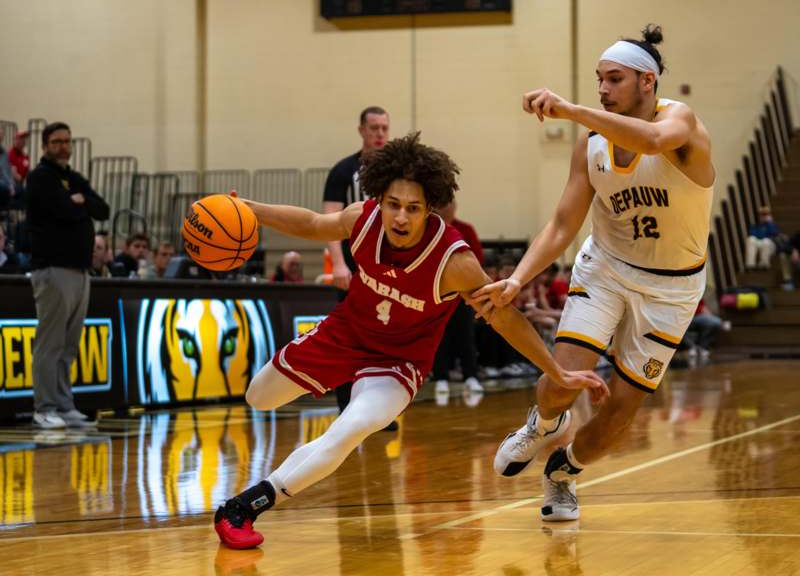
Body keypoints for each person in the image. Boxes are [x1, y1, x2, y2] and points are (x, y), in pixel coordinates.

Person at [213, 133, 607, 549]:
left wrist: (557, 370)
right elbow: (312, 224)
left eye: (413, 209)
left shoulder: (454, 262)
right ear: (380, 199)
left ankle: (243, 508)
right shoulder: (360, 220)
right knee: (259, 396)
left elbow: (505, 319)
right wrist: (250, 211)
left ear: (430, 209)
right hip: (344, 335)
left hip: (398, 365)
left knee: (349, 431)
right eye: (394, 205)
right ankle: (323, 387)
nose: (401, 218)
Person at [473, 24, 715, 522]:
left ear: (648, 82)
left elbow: (651, 141)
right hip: (605, 267)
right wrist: (517, 280)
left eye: (615, 79)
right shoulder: (591, 145)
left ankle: (563, 472)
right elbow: (563, 222)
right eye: (598, 79)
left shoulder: (681, 123)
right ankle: (541, 423)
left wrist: (570, 109)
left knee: (622, 409)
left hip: (672, 288)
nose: (602, 89)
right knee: (560, 378)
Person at [26, 121, 110, 429]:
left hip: (79, 270)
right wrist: (76, 204)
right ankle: (44, 407)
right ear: (45, 145)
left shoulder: (75, 178)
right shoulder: (39, 178)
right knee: (50, 343)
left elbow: (103, 210)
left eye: (67, 141)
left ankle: (64, 404)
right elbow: (61, 210)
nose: (63, 146)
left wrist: (83, 201)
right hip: (52, 268)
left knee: (69, 343)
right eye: (57, 141)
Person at [322, 106, 391, 415]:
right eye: (374, 128)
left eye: (384, 128)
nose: (379, 134)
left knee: (385, 337)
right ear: (361, 130)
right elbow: (329, 220)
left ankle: (378, 409)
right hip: (353, 268)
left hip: (389, 269)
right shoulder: (342, 171)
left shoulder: (397, 171)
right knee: (348, 335)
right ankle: (344, 406)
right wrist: (338, 264)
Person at [431, 200, 485, 397]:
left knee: (466, 337)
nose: (447, 207)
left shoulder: (466, 229)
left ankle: (471, 376)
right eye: (442, 203)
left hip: (462, 296)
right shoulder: (429, 229)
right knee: (439, 339)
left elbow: (477, 259)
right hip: (436, 296)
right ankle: (441, 379)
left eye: (450, 203)